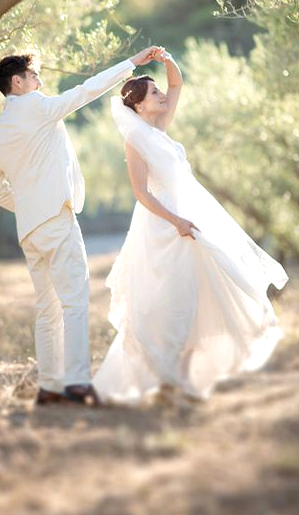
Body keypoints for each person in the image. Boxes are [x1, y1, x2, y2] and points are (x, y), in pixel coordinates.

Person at [94, 50, 288, 405]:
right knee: (168, 301)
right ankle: (165, 381)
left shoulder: (160, 130)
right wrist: (176, 221)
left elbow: (177, 82)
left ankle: (179, 382)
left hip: (190, 219)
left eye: (157, 92)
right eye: (153, 94)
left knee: (198, 297)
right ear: (138, 106)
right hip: (164, 227)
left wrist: (164, 57)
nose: (162, 96)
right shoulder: (135, 139)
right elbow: (140, 192)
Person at [0, 45, 164, 406]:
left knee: (46, 309)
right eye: (34, 76)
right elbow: (85, 92)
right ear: (17, 82)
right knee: (75, 301)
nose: (40, 81)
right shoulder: (36, 107)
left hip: (30, 229)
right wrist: (131, 64)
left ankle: (50, 386)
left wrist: (30, 205)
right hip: (56, 220)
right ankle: (78, 382)